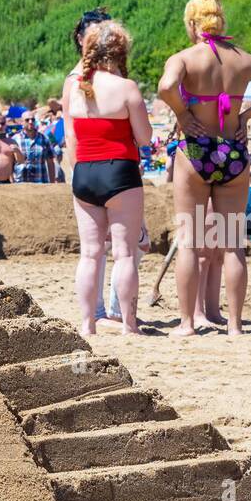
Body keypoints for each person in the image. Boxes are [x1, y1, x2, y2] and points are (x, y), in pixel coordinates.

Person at [157, 0, 251, 337]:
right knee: (232, 242)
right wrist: (246, 116)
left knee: (189, 239)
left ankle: (187, 323)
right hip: (232, 152)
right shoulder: (243, 60)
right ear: (222, 23)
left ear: (192, 24)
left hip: (196, 150)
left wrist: (183, 115)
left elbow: (165, 87)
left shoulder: (184, 58)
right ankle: (234, 325)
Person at [62, 19, 151, 335]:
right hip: (119, 171)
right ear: (119, 52)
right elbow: (144, 138)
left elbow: (70, 136)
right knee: (124, 253)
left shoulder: (74, 87)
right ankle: (128, 324)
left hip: (84, 172)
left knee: (89, 253)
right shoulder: (126, 88)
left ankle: (87, 325)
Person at [15, 112, 56, 183]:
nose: (30, 122)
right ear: (21, 122)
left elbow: (50, 162)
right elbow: (10, 162)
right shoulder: (15, 139)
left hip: (41, 183)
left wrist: (52, 182)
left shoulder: (44, 138)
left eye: (33, 119)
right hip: (21, 184)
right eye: (27, 120)